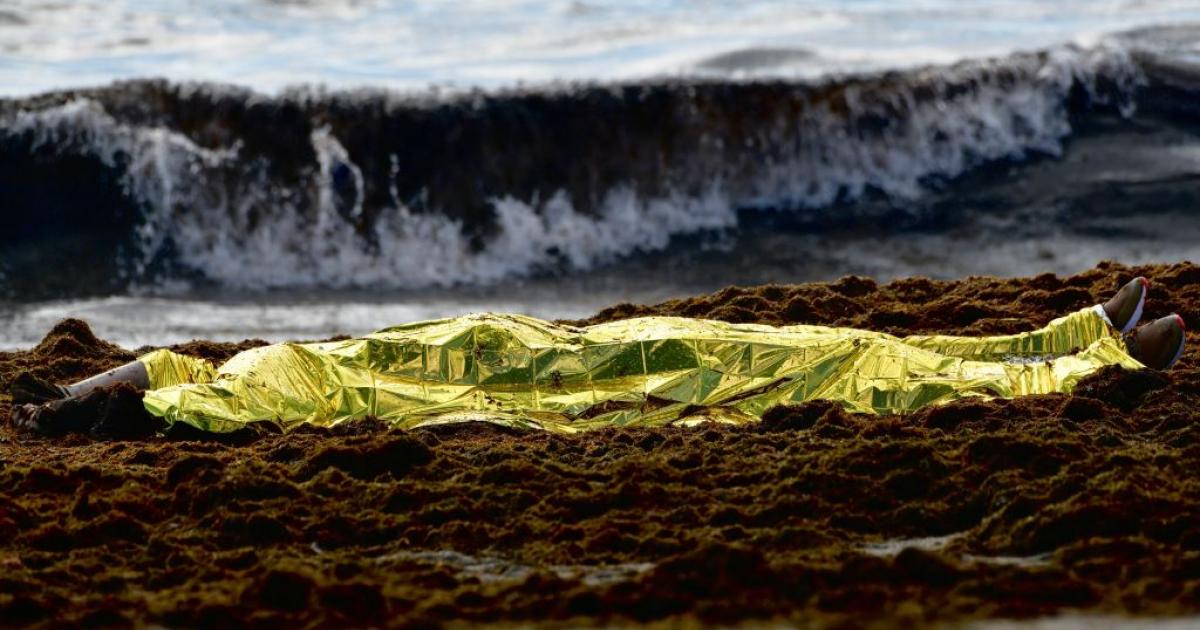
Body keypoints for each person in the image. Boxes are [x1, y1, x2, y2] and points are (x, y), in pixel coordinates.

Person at [8, 278, 1187, 435]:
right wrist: (71, 410)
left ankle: (1052, 340)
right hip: (561, 386)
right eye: (105, 382)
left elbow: (154, 373)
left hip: (516, 352)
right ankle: (1075, 368)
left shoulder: (217, 383)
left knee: (778, 343)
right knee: (792, 368)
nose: (127, 367)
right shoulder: (227, 408)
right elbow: (151, 389)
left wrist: (75, 398)